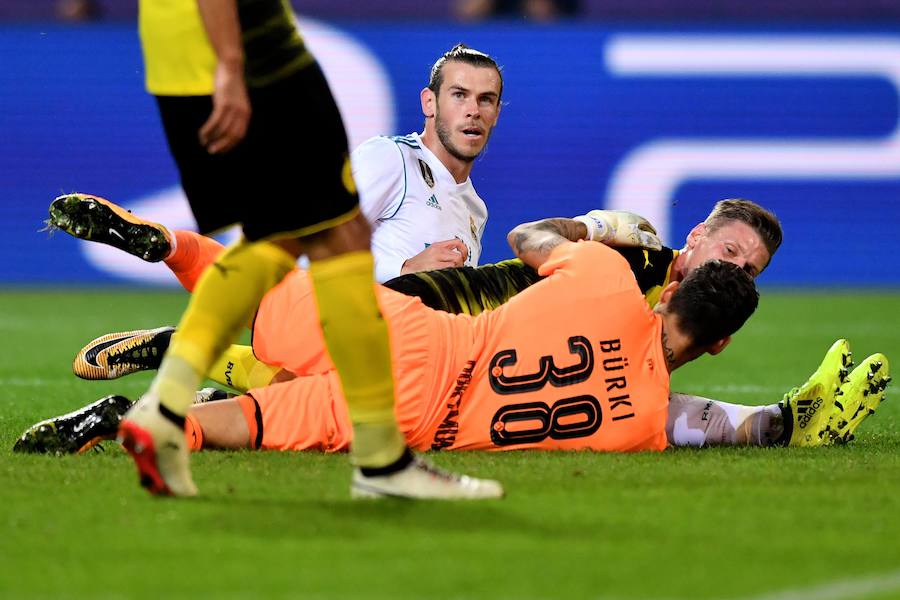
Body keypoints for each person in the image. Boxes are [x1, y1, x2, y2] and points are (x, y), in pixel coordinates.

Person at [48, 197, 840, 448]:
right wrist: (598, 229)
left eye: (748, 270)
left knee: (281, 327)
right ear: (695, 239)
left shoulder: (629, 285)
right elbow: (649, 403)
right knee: (273, 408)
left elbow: (542, 249)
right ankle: (160, 394)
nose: (735, 270)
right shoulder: (629, 264)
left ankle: (180, 278)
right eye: (732, 252)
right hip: (452, 317)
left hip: (438, 343)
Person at [107, 0, 501, 499]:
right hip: (233, 39)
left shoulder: (472, 206)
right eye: (461, 94)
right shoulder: (394, 159)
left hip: (216, 40)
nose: (473, 109)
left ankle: (166, 406)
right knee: (316, 230)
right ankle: (379, 462)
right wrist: (230, 63)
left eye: (485, 99)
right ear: (430, 101)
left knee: (321, 232)